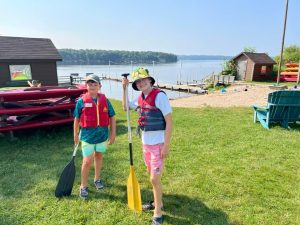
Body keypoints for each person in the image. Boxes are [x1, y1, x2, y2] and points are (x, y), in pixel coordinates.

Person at [122, 68, 172, 225]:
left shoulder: (160, 96)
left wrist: (166, 146)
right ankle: (159, 203)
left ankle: (157, 213)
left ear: (150, 80)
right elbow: (125, 107)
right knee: (150, 175)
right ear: (136, 85)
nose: (141, 83)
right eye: (138, 81)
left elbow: (169, 122)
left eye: (144, 79)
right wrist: (124, 88)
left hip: (158, 144)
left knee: (154, 179)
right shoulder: (141, 97)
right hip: (146, 144)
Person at [73, 75, 116, 199]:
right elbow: (76, 118)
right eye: (90, 84)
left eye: (95, 84)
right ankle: (83, 185)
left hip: (102, 136)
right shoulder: (81, 101)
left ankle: (97, 179)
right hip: (87, 137)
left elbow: (112, 116)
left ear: (99, 86)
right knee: (87, 161)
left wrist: (113, 133)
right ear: (86, 86)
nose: (92, 86)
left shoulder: (105, 100)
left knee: (99, 157)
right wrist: (75, 134)